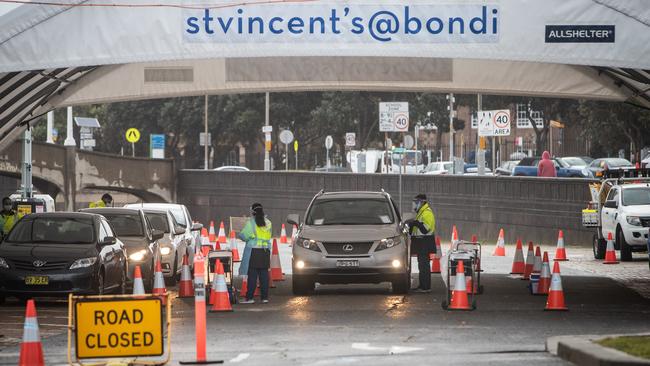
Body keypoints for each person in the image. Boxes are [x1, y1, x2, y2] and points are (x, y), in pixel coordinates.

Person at [238, 203, 272, 304]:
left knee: (252, 275)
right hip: (265, 251)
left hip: (254, 252)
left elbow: (244, 236)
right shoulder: (269, 222)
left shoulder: (251, 223)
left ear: (253, 212)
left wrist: (241, 233)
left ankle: (250, 298)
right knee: (264, 275)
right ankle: (264, 298)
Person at [407, 194, 436, 293]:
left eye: (416, 202)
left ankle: (426, 287)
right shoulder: (422, 212)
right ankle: (423, 285)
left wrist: (415, 223)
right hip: (421, 243)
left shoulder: (427, 213)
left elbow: (425, 230)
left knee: (424, 266)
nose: (414, 204)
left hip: (425, 242)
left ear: (421, 202)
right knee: (422, 265)